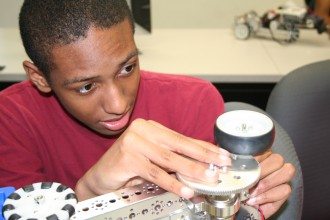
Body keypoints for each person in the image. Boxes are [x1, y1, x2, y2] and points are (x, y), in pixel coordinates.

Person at [0, 0, 295, 218]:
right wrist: (88, 194)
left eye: (127, 67)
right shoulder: (11, 120)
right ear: (39, 77)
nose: (118, 105)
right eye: (86, 87)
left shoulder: (194, 102)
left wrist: (241, 203)